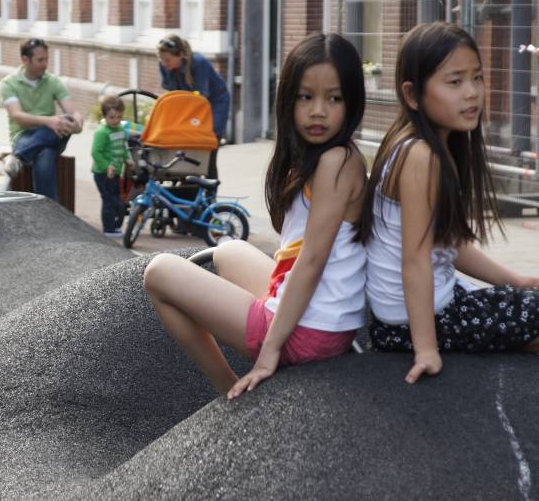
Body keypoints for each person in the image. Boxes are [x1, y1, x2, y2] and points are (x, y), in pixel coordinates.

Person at [357, 22, 539, 384]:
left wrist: (514, 280)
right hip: (417, 323)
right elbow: (415, 261)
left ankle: (470, 348)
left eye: (477, 78)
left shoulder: (414, 144)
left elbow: (447, 242)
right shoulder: (422, 157)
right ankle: (467, 357)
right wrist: (426, 349)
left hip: (415, 312)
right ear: (412, 94)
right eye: (454, 82)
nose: (472, 93)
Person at [144, 32, 368, 398]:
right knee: (228, 250)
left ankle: (227, 389)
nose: (318, 111)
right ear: (288, 100)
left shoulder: (336, 161)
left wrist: (270, 352)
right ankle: (269, 328)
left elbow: (312, 262)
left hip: (309, 334)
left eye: (334, 98)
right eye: (306, 97)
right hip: (316, 322)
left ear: (352, 102)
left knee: (159, 273)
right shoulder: (322, 158)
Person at [0, 38, 83, 203]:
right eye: (40, 60)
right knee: (45, 154)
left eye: (46, 59)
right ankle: (49, 212)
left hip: (52, 134)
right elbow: (17, 116)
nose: (45, 64)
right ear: (25, 59)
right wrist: (48, 121)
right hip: (23, 136)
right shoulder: (8, 83)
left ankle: (18, 157)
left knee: (64, 119)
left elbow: (73, 112)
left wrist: (76, 123)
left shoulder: (53, 81)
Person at [158, 34, 230, 179]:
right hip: (191, 105)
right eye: (161, 59)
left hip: (214, 104)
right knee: (186, 147)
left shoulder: (199, 63)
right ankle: (189, 189)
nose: (164, 63)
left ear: (180, 55)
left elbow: (200, 99)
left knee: (208, 149)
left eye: (168, 60)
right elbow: (171, 93)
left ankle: (209, 194)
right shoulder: (164, 65)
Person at [91, 95, 132, 237]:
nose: (115, 120)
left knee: (116, 199)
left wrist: (128, 159)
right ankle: (108, 229)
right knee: (108, 200)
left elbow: (123, 147)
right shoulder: (102, 132)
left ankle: (114, 226)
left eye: (119, 117)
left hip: (115, 173)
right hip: (102, 173)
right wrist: (107, 166)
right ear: (105, 116)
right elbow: (96, 152)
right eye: (112, 117)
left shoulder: (120, 129)